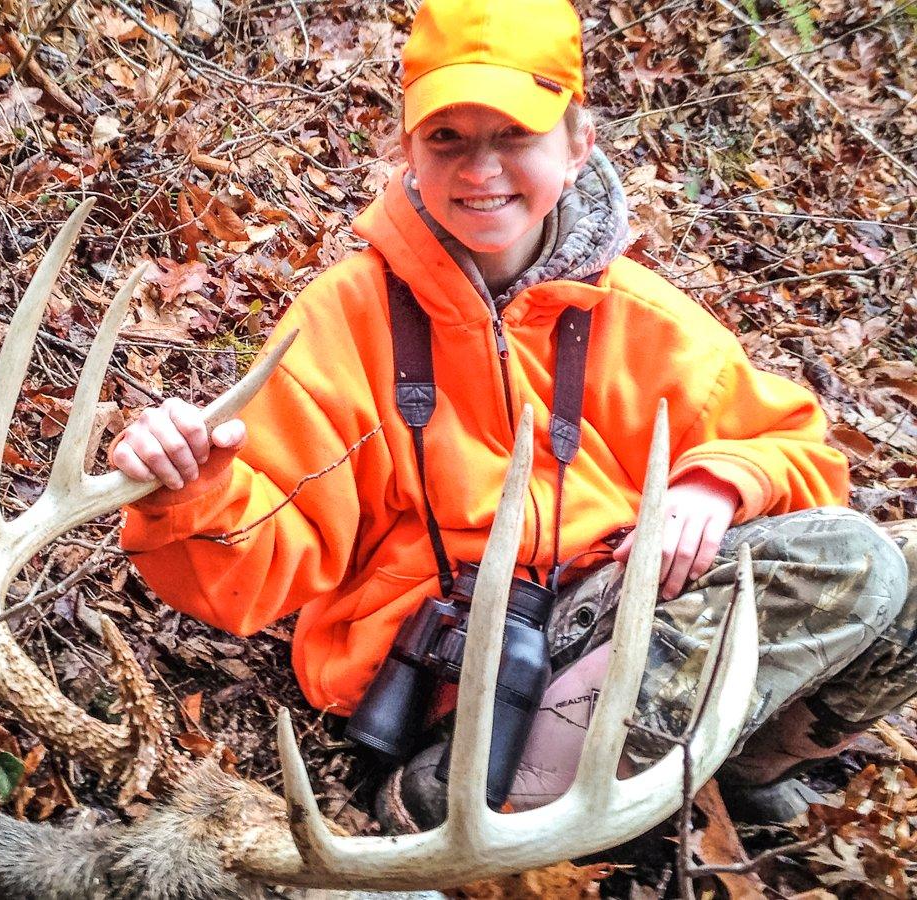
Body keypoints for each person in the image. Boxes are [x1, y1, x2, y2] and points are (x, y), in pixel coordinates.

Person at [110, 0, 916, 831]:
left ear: (577, 149)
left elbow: (798, 454)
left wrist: (717, 486)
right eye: (447, 138)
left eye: (514, 136)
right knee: (853, 561)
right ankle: (437, 803)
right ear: (407, 151)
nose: (478, 169)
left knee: (900, 566)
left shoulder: (645, 320)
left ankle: (744, 770)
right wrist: (193, 493)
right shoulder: (344, 320)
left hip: (598, 619)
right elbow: (259, 572)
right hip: (432, 669)